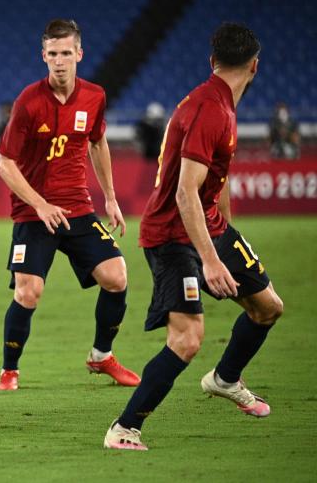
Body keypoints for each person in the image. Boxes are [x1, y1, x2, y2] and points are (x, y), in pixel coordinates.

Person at [104, 22, 284, 450]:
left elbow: (215, 181)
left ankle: (225, 378)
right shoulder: (211, 110)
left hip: (209, 227)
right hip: (172, 235)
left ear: (213, 61)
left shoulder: (219, 104)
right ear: (255, 67)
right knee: (186, 340)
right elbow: (185, 193)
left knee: (267, 307)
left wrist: (227, 236)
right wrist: (211, 260)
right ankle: (124, 429)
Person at [0, 19, 140, 391]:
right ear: (44, 56)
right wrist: (40, 204)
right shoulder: (29, 102)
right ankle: (9, 371)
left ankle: (101, 356)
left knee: (116, 276)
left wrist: (110, 197)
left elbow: (98, 142)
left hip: (77, 208)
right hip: (33, 213)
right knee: (28, 292)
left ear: (79, 54)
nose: (59, 61)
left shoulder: (95, 97)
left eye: (66, 53)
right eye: (53, 54)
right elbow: (5, 163)